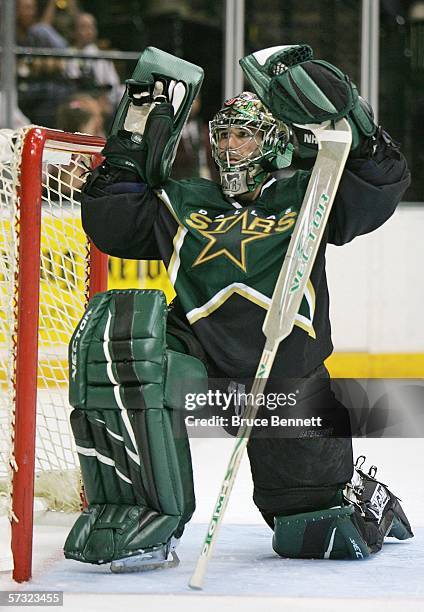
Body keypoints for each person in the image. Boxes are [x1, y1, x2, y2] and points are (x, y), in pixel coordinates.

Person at [65, 46, 413, 570]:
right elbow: (112, 221)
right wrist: (131, 138)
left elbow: (382, 183)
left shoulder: (311, 191)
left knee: (314, 531)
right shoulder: (184, 200)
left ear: (272, 139)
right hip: (199, 365)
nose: (229, 145)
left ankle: (361, 494)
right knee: (119, 339)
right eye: (223, 134)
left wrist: (356, 123)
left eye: (243, 133)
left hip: (285, 379)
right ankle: (137, 508)